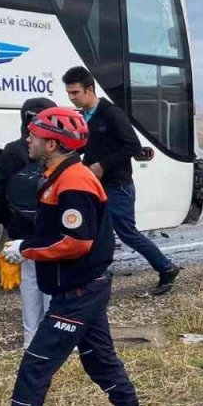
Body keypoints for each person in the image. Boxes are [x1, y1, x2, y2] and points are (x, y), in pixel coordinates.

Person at [0, 107, 149, 406]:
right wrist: (28, 243)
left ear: (54, 143)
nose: (28, 139)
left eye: (35, 134)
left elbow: (77, 241)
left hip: (78, 291)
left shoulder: (73, 180)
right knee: (99, 359)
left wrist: (27, 250)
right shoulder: (59, 174)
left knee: (34, 368)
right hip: (82, 286)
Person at [62, 66, 180, 295]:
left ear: (89, 89)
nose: (71, 97)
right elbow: (91, 145)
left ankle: (166, 267)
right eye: (69, 93)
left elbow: (133, 146)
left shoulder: (111, 113)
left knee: (127, 234)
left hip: (118, 186)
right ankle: (95, 276)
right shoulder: (85, 117)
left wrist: (102, 165)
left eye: (75, 92)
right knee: (94, 231)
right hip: (95, 186)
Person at [0, 97, 56, 347]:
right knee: (51, 284)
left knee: (30, 283)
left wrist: (6, 221)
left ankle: (31, 340)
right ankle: (53, 340)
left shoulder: (12, 150)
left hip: (23, 231)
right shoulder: (58, 152)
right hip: (50, 233)